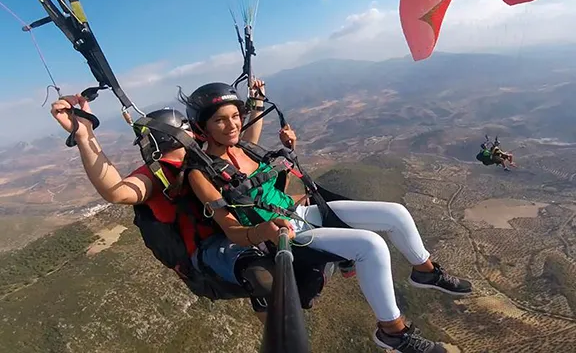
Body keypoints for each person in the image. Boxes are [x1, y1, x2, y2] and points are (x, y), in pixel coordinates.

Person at [180, 82, 473, 353]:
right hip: (285, 234)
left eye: (235, 116)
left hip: (301, 212)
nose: (232, 125)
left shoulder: (242, 146)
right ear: (202, 127)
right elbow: (231, 229)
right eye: (220, 120)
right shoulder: (201, 174)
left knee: (394, 212)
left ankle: (425, 271)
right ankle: (392, 331)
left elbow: (252, 129)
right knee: (370, 246)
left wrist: (261, 107)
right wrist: (264, 231)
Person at [49, 82, 274, 323]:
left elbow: (245, 148)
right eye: (189, 132)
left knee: (273, 265)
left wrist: (257, 104)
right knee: (262, 274)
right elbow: (117, 192)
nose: (196, 136)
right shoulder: (163, 174)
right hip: (209, 255)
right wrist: (84, 135)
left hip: (234, 238)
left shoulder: (202, 162)